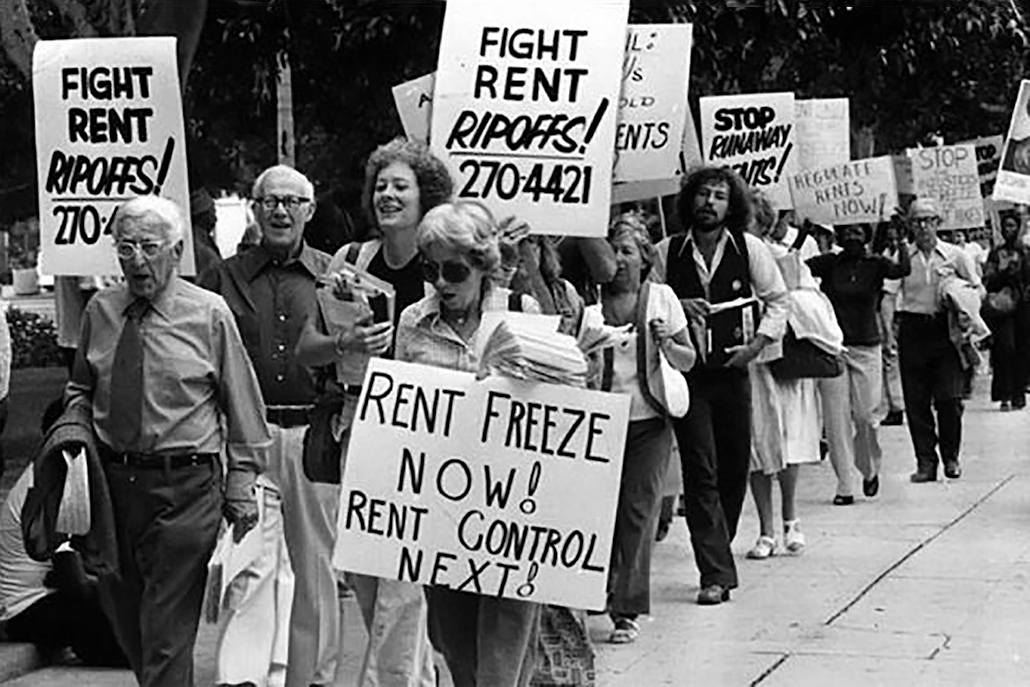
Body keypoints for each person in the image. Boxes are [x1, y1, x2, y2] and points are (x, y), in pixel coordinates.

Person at [63, 195, 270, 686]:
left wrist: (241, 482)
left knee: (166, 630)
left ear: (177, 251)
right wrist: (70, 437)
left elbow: (242, 405)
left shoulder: (209, 314)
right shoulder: (102, 311)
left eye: (149, 247)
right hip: (114, 489)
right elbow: (80, 388)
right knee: (128, 623)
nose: (137, 260)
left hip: (186, 490)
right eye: (126, 247)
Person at [295, 136, 453, 686]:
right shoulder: (350, 261)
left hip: (425, 435)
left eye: (400, 186)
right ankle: (417, 674)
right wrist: (347, 343)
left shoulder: (445, 264)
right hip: (357, 427)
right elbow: (306, 348)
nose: (387, 194)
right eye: (380, 185)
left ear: (425, 196)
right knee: (364, 573)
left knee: (404, 582)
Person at [394, 200, 541, 686]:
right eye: (430, 268)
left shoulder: (522, 314)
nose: (440, 281)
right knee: (456, 652)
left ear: (483, 266)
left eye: (453, 269)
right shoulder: (413, 321)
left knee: (501, 665)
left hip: (511, 514)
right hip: (441, 514)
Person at [199, 164, 333, 687]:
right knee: (247, 563)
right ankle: (241, 680)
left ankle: (312, 679)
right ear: (254, 209)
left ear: (309, 210)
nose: (280, 210)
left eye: (291, 201)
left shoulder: (332, 274)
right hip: (244, 443)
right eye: (270, 200)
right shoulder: (222, 278)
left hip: (312, 439)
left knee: (316, 570)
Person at [650, 167, 789, 605]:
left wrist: (757, 345)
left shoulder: (750, 249)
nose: (709, 203)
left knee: (732, 469)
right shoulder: (665, 252)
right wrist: (674, 306)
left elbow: (778, 300)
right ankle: (715, 572)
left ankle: (717, 544)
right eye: (704, 194)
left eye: (720, 196)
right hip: (688, 378)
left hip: (734, 372)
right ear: (690, 199)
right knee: (700, 470)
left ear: (733, 206)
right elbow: (650, 308)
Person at [598, 211, 695, 642]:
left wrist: (667, 343)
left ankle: (628, 609)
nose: (618, 260)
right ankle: (599, 586)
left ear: (644, 257)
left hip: (649, 421)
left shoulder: (662, 298)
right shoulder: (588, 299)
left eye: (627, 251)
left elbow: (690, 359)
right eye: (613, 250)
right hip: (598, 421)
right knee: (600, 511)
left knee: (638, 512)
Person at [744, 197, 833, 557]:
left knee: (790, 439)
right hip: (751, 360)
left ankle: (790, 519)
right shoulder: (730, 258)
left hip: (785, 360)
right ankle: (765, 529)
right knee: (757, 443)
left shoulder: (787, 255)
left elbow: (811, 300)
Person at [808, 224, 911, 504]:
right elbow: (793, 269)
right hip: (834, 347)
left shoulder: (876, 264)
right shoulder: (829, 263)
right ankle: (844, 485)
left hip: (867, 346)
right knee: (836, 418)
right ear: (840, 237)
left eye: (858, 232)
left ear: (866, 236)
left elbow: (903, 269)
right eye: (848, 233)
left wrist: (900, 236)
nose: (853, 237)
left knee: (865, 415)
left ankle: (868, 469)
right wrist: (804, 234)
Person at [0, 465, 125, 666]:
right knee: (109, 609)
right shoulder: (62, 481)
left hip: (44, 595)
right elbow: (76, 584)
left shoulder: (55, 469)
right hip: (24, 610)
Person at [897, 198, 983, 482]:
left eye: (928, 220)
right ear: (910, 225)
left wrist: (962, 298)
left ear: (938, 223)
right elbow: (888, 295)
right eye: (917, 221)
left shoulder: (955, 255)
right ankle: (925, 461)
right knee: (916, 400)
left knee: (949, 398)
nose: (923, 227)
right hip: (912, 329)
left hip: (944, 330)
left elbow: (978, 288)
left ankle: (951, 456)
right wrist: (888, 331)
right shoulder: (902, 257)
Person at [982, 213, 1030, 411]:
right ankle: (1005, 394)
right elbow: (988, 280)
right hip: (1002, 309)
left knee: (1023, 349)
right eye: (1006, 226)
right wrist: (1004, 273)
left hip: (1024, 307)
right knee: (1005, 348)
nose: (1009, 230)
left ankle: (1018, 392)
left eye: (1012, 226)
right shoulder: (996, 253)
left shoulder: (1026, 252)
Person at [873, 220, 906, 426]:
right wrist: (887, 328)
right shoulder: (883, 259)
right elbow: (887, 297)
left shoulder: (906, 255)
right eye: (890, 238)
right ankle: (897, 405)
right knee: (891, 361)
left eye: (897, 237)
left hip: (908, 312)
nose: (893, 241)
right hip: (892, 314)